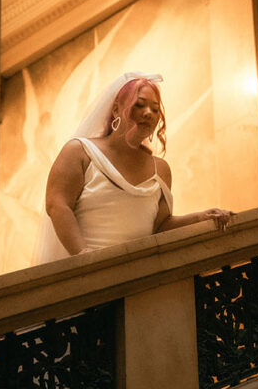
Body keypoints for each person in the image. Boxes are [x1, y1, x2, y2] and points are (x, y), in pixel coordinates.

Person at [37, 72, 232, 262]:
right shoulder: (80, 151)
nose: (148, 113)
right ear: (115, 110)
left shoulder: (161, 169)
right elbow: (57, 204)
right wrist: (84, 256)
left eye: (155, 109)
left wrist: (200, 217)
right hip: (89, 273)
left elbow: (160, 227)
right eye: (139, 105)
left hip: (140, 275)